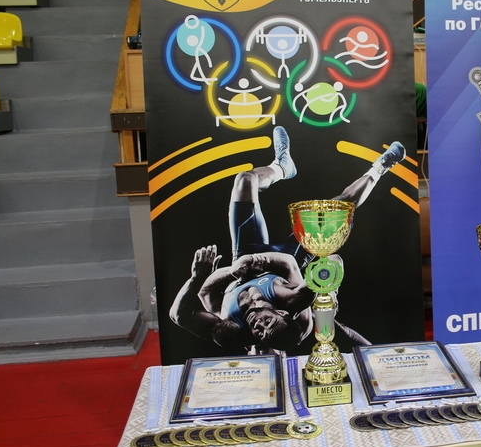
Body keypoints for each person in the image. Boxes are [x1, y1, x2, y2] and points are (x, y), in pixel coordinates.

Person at [170, 125, 406, 354]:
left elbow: (191, 304)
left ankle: (280, 167)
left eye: (259, 333)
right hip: (285, 260)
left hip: (244, 256)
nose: (259, 325)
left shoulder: (233, 327)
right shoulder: (294, 304)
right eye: (267, 324)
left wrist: (202, 277)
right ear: (282, 314)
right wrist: (328, 289)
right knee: (339, 207)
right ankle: (380, 167)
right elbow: (298, 263)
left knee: (244, 180)